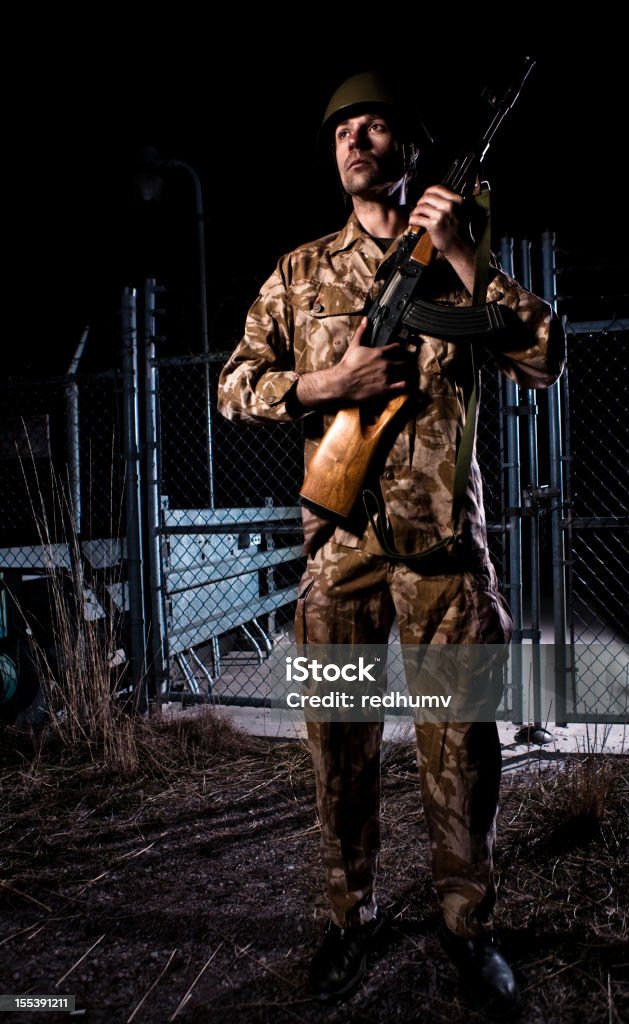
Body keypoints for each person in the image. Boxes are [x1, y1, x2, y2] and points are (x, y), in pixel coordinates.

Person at [218, 71, 564, 1014]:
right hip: (338, 560)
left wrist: (459, 257)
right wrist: (323, 385)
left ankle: (467, 925)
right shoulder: (297, 273)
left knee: (462, 749)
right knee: (340, 747)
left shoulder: (461, 252)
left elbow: (540, 354)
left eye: (376, 128)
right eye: (343, 132)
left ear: (411, 149)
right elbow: (234, 386)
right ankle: (349, 916)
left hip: (447, 559)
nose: (356, 141)